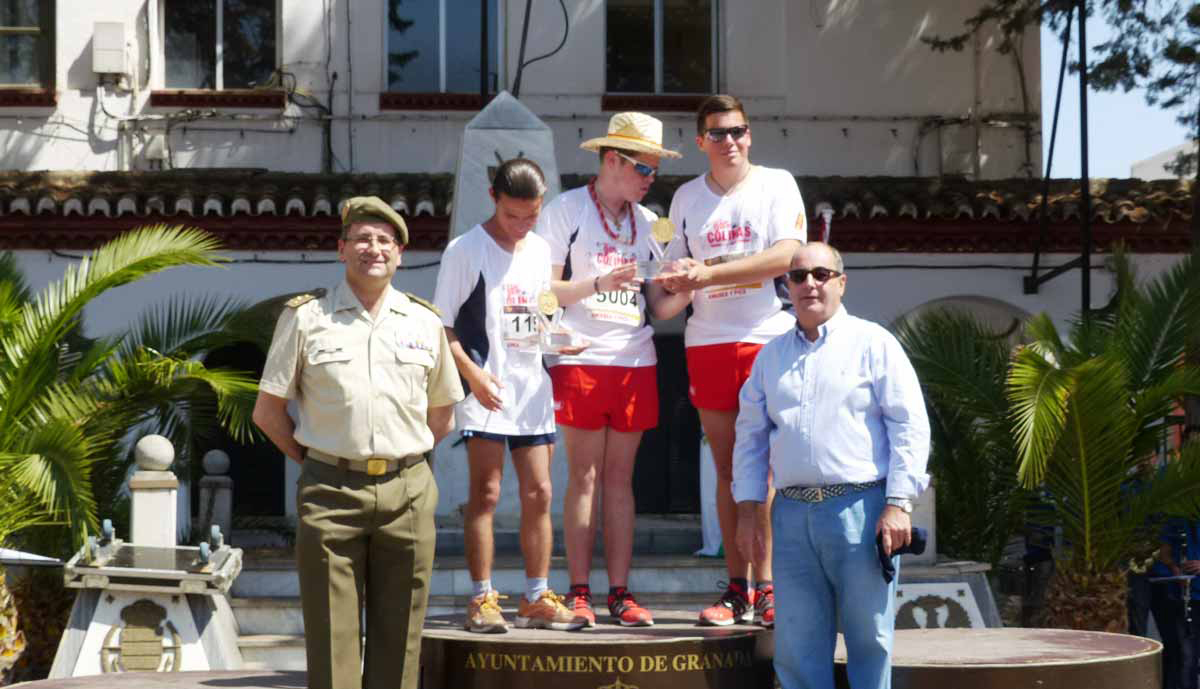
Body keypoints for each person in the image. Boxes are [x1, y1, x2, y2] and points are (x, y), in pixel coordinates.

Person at [252, 196, 463, 689]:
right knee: (332, 640)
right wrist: (318, 459)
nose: (374, 248)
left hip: (407, 490)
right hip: (329, 491)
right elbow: (268, 412)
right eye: (363, 239)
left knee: (401, 638)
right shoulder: (307, 318)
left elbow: (443, 415)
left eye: (385, 240)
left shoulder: (424, 321)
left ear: (400, 254)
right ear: (341, 248)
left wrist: (401, 459)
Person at [732, 242, 930, 689]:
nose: (810, 284)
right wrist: (748, 511)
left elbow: (909, 425)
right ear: (786, 286)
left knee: (869, 640)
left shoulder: (874, 343)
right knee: (797, 646)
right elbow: (750, 440)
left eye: (821, 274)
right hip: (791, 514)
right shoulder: (770, 358)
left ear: (841, 282)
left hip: (861, 511)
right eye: (798, 277)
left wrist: (899, 503)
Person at [536, 112, 691, 627]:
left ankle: (620, 594)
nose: (651, 180)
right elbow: (544, 292)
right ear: (611, 161)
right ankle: (579, 593)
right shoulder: (565, 210)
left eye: (654, 171)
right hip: (580, 356)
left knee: (621, 482)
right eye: (643, 169)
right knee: (584, 477)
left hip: (636, 357)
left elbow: (658, 307)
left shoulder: (650, 223)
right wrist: (599, 284)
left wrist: (690, 285)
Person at [659, 93, 806, 626]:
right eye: (718, 134)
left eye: (738, 131)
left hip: (767, 336)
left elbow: (787, 257)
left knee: (766, 472)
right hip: (707, 341)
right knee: (727, 471)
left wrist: (708, 273)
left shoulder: (777, 183)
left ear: (750, 135)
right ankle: (737, 589)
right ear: (701, 143)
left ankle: (770, 588)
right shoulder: (684, 199)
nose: (730, 142)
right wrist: (667, 289)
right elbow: (676, 274)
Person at [433, 158, 587, 633]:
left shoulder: (540, 250)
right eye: (512, 216)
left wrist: (560, 340)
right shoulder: (465, 250)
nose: (521, 226)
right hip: (486, 389)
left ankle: (537, 597)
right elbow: (441, 325)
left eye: (531, 216)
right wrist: (473, 376)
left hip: (532, 390)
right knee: (487, 492)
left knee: (540, 492)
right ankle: (482, 599)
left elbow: (541, 315)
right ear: (493, 198)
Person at [1151, 517, 1200, 689]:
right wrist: (1175, 568)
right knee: (1186, 656)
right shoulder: (1177, 520)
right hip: (1185, 596)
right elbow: (1164, 552)